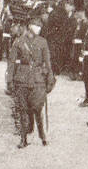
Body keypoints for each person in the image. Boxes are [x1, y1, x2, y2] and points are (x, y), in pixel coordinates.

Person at [7, 19, 53, 147]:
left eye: (40, 26)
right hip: (21, 79)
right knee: (22, 110)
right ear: (29, 27)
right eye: (36, 25)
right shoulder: (19, 42)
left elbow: (47, 62)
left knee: (37, 108)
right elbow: (11, 63)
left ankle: (42, 135)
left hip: (38, 79)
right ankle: (23, 138)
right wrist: (9, 80)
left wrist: (50, 80)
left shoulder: (43, 42)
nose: (39, 28)